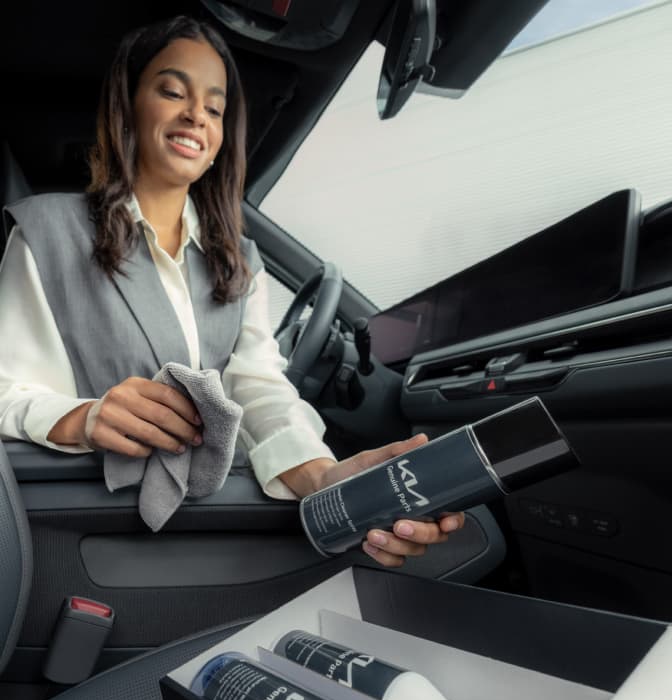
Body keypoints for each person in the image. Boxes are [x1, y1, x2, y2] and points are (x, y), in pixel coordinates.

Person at [0, 15, 464, 567]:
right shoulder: (45, 231)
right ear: (128, 107)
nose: (196, 113)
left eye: (215, 108)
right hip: (80, 525)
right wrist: (86, 416)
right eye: (172, 91)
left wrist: (324, 476)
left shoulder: (239, 258)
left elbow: (258, 386)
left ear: (221, 139)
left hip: (215, 512)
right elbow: (7, 388)